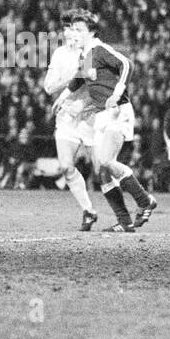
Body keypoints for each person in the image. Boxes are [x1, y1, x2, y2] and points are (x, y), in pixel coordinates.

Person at [59, 8, 156, 232]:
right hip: (101, 115)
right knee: (102, 169)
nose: (74, 33)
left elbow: (127, 64)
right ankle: (125, 221)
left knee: (105, 160)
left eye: (79, 30)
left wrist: (117, 91)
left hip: (117, 111)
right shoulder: (86, 55)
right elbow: (79, 81)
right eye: (73, 29)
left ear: (91, 32)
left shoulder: (99, 49)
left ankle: (145, 201)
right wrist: (64, 98)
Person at [43, 17, 100, 230]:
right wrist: (73, 80)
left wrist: (81, 81)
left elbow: (97, 83)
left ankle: (129, 210)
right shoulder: (59, 54)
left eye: (74, 29)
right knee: (66, 166)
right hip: (67, 116)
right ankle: (88, 211)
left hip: (91, 115)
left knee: (102, 168)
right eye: (66, 28)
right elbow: (49, 87)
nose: (69, 33)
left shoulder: (91, 49)